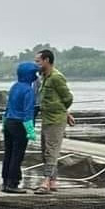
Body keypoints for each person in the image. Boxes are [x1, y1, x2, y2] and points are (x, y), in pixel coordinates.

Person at [34, 49, 75, 194]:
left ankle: (45, 181)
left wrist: (63, 112)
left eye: (38, 61)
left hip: (56, 120)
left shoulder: (57, 77)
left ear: (46, 60)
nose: (36, 64)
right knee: (46, 150)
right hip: (46, 119)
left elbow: (67, 97)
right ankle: (53, 181)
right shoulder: (44, 77)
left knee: (51, 151)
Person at [1, 62, 38, 193]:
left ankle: (5, 181)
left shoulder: (14, 87)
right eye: (35, 73)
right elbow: (28, 112)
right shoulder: (28, 90)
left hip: (9, 122)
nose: (36, 76)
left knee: (8, 153)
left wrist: (3, 123)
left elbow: (7, 107)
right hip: (20, 124)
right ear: (30, 75)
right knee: (17, 155)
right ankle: (13, 183)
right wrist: (30, 130)